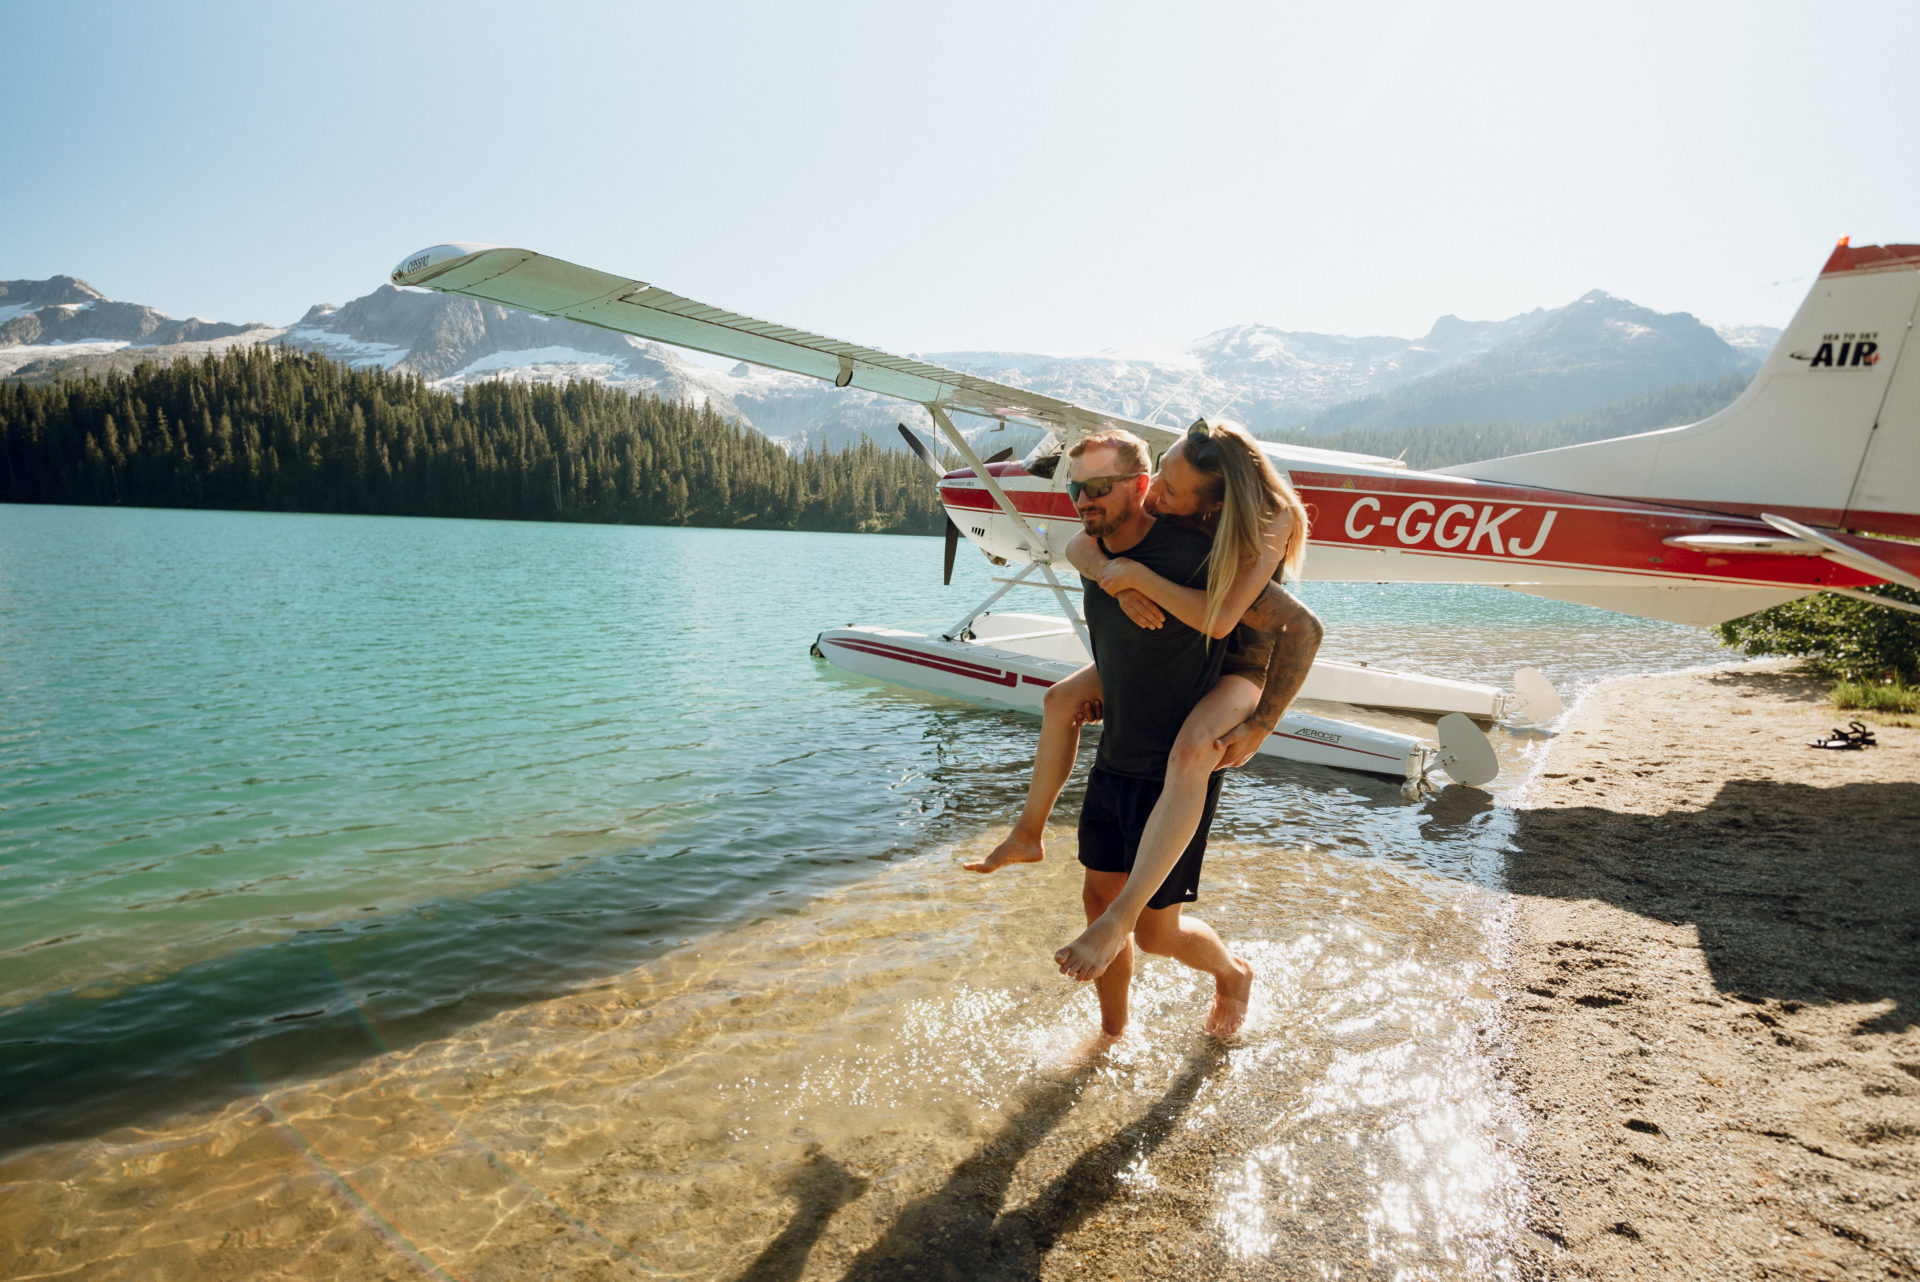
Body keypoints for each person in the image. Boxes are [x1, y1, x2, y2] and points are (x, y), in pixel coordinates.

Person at [965, 424, 1318, 1041]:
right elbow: (1080, 548)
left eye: (1167, 490)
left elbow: (1260, 624)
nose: (1085, 500)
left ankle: (1234, 974)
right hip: (1132, 730)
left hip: (1236, 669)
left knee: (1158, 928)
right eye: (1078, 488)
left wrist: (1262, 723)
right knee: (1061, 704)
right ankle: (1111, 1036)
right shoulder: (1109, 542)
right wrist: (1111, 576)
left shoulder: (1246, 534)